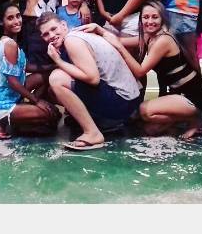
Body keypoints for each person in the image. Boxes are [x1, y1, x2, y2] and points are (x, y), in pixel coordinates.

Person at [79, 1, 202, 139]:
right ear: (140, 19)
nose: (150, 21)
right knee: (151, 129)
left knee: (144, 110)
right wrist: (99, 30)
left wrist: (119, 47)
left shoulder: (163, 40)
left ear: (162, 19)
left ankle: (195, 119)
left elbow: (140, 71)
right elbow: (120, 40)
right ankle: (182, 118)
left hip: (194, 96)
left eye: (155, 17)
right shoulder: (149, 36)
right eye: (146, 17)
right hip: (179, 93)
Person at [40, 13, 141, 150]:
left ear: (63, 25)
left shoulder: (71, 40)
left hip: (122, 103)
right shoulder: (75, 36)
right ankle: (100, 122)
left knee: (56, 78)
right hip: (127, 101)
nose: (51, 35)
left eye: (53, 29)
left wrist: (58, 61)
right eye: (46, 34)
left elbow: (93, 79)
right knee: (53, 89)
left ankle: (92, 133)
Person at [0, 3, 61, 139]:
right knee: (50, 114)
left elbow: (25, 67)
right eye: (10, 18)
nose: (16, 21)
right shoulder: (10, 44)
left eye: (18, 16)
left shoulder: (11, 41)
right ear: (1, 22)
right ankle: (4, 121)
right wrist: (37, 101)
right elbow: (13, 82)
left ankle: (23, 115)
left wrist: (54, 66)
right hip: (2, 102)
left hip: (9, 93)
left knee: (45, 76)